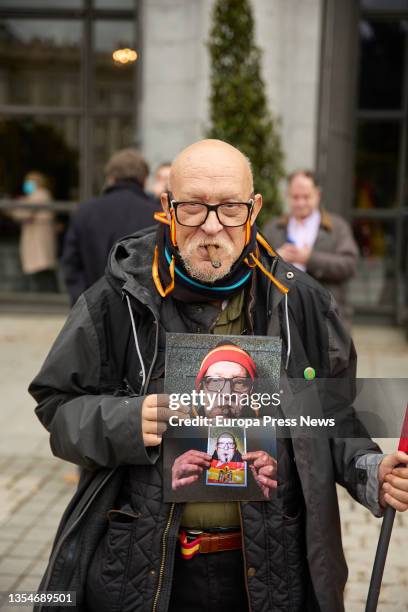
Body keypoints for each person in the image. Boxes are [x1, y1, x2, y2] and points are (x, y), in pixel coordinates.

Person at [29, 139, 408, 612]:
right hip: (143, 572)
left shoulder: (301, 302)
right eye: (193, 208)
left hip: (272, 571)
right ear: (166, 208)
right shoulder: (116, 299)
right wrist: (125, 421)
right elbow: (56, 402)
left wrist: (371, 472)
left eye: (229, 208)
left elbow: (332, 416)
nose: (211, 227)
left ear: (254, 209)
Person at [61, 148, 160, 305]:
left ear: (111, 178)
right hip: (143, 312)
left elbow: (71, 264)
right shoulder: (157, 214)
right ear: (144, 179)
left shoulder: (85, 212)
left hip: (93, 308)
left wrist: (82, 302)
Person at [262, 170, 359, 324]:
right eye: (295, 197)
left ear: (318, 195)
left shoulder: (337, 227)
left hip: (326, 315)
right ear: (287, 195)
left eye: (306, 197)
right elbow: (256, 265)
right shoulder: (273, 227)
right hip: (282, 316)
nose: (300, 203)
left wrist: (309, 258)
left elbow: (349, 265)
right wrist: (276, 258)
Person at [8, 171, 58, 293]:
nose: (26, 185)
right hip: (39, 239)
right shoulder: (41, 195)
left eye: (29, 182)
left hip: (37, 241)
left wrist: (12, 208)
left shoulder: (39, 195)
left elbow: (23, 213)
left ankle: (48, 301)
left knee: (41, 272)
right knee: (44, 272)